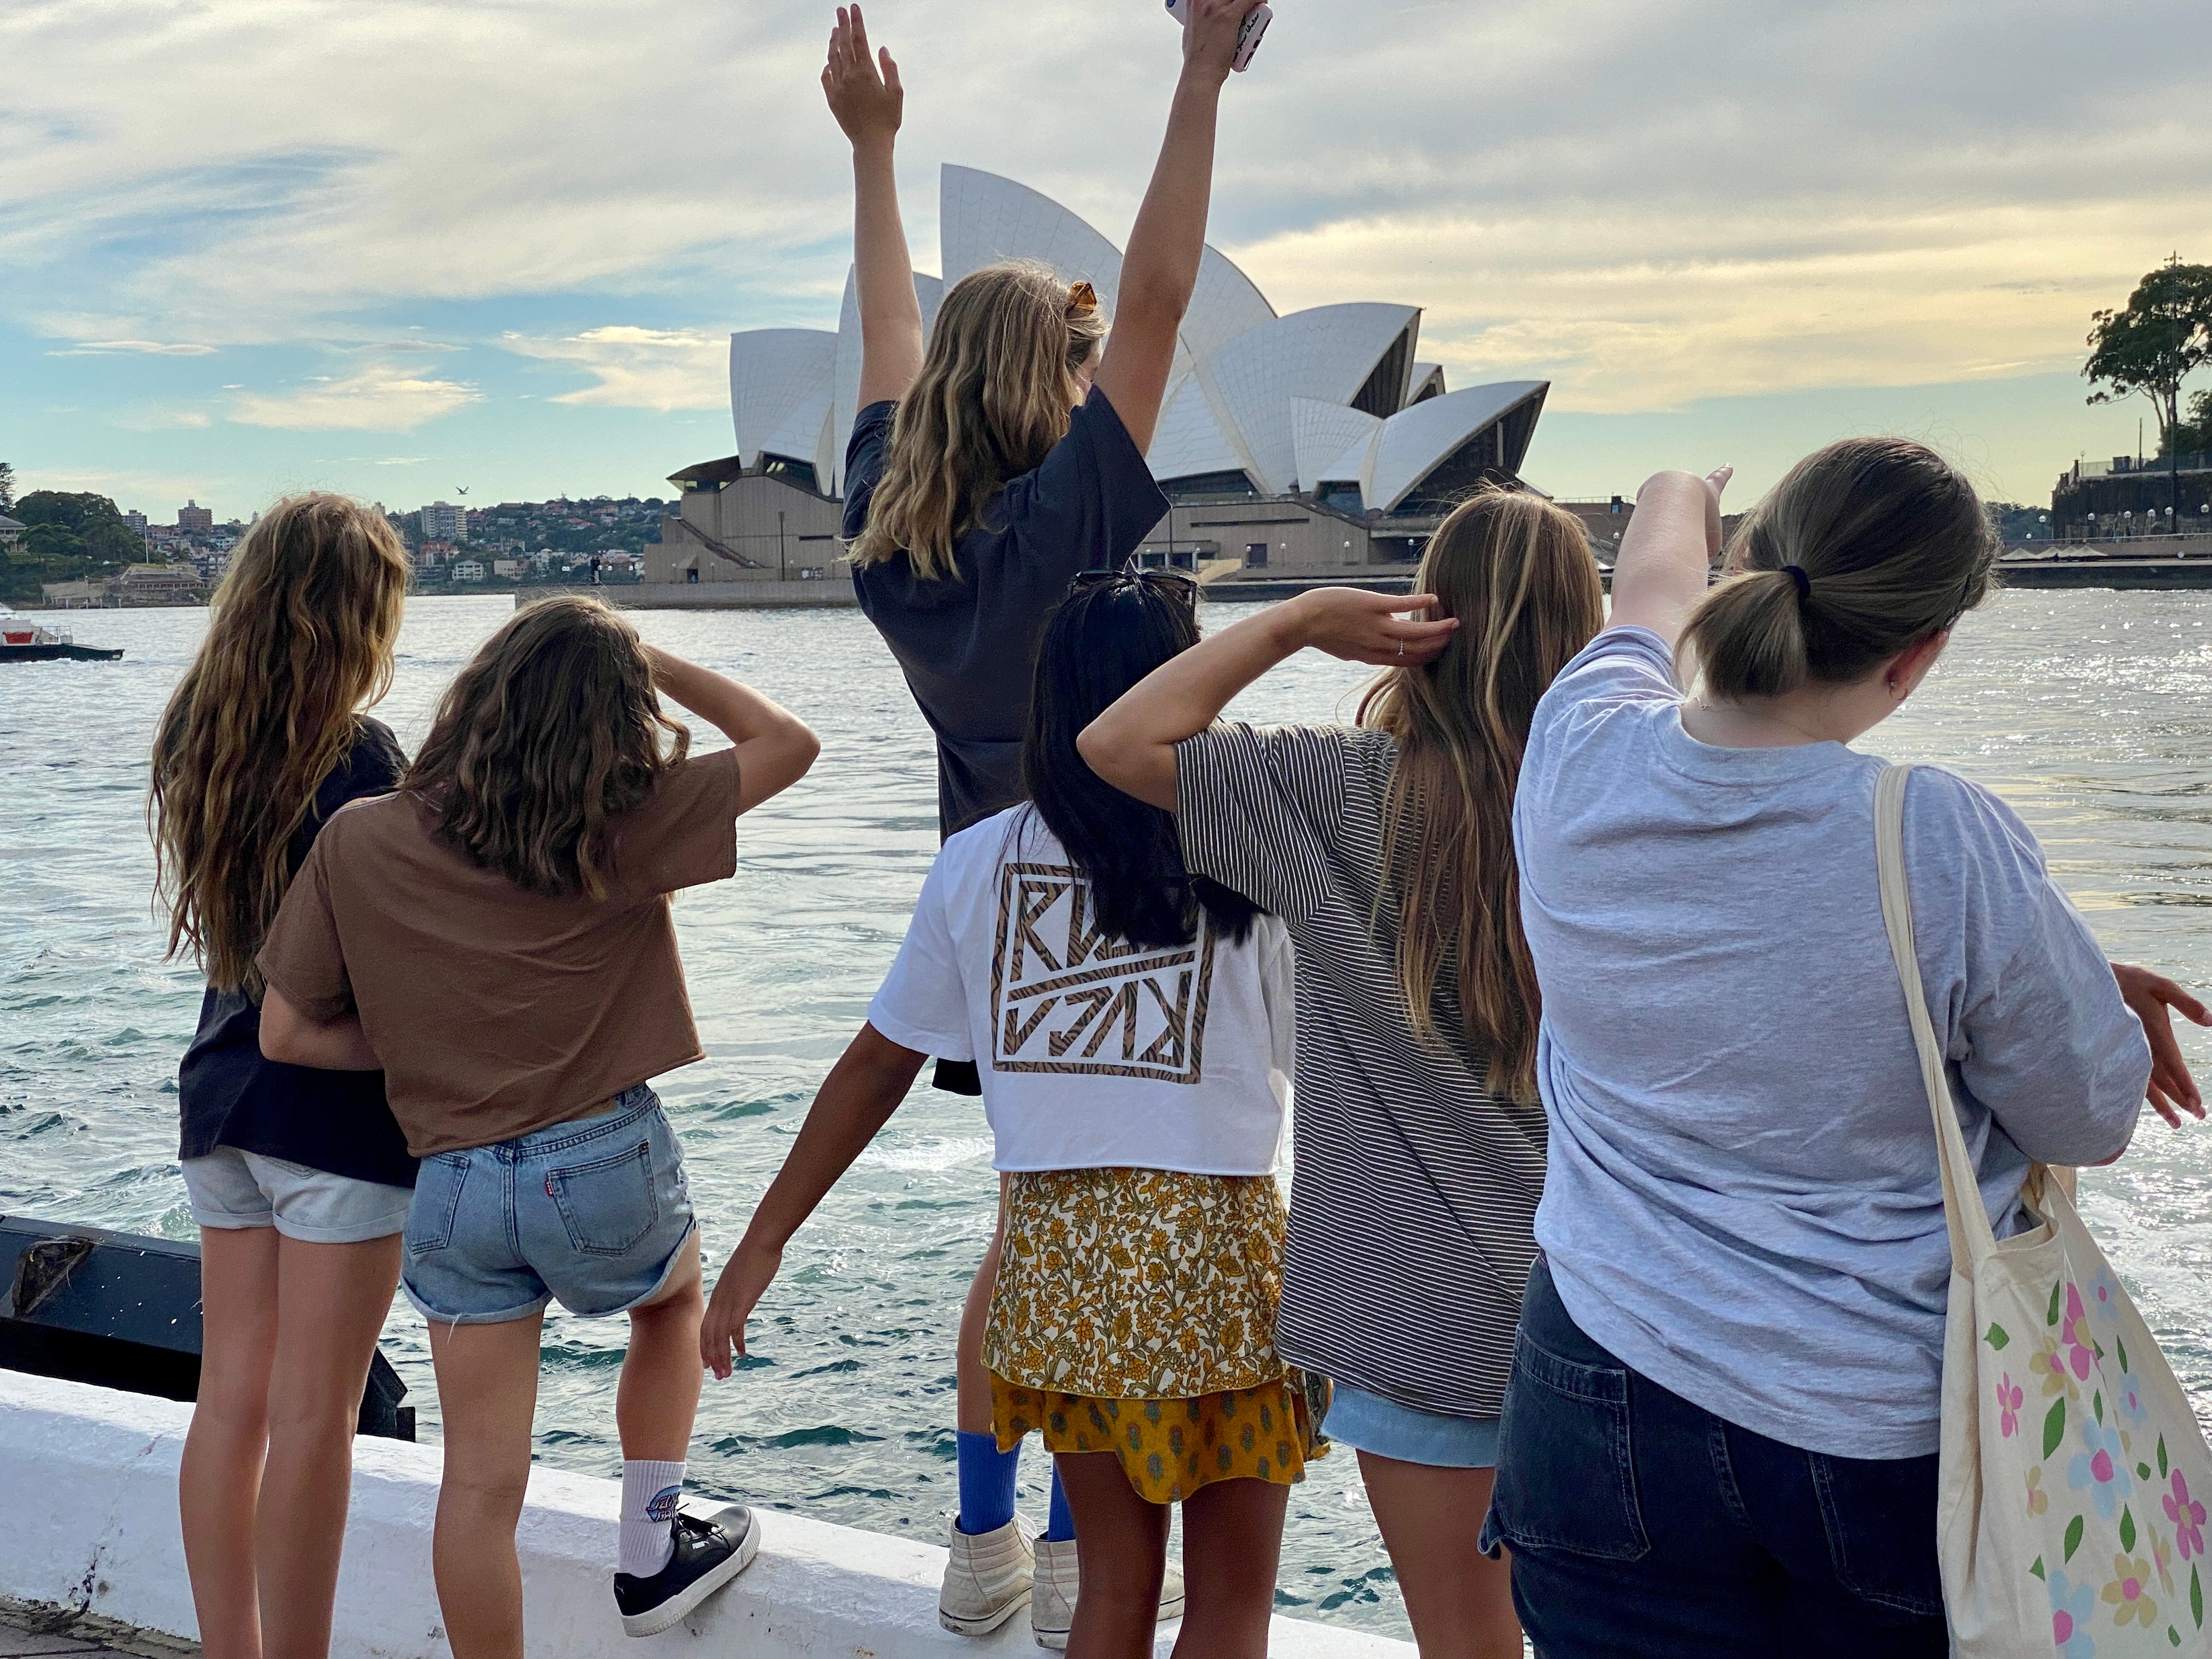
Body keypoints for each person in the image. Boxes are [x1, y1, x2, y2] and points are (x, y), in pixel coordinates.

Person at [1488, 441, 2207, 1654]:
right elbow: (2089, 1119)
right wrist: (2066, 985)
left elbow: (1654, 571)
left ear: (1752, 569)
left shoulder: (1580, 743)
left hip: (1595, 1377)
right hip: (1872, 1420)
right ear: (1917, 656)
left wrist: (1684, 485)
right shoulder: (1936, 835)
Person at [823, 0, 1262, 1633]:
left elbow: (885, 338)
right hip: (1139, 874)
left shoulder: (891, 541)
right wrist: (1199, 73)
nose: (1104, 380)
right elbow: (1160, 291)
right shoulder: (1072, 517)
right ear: (1051, 386)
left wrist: (870, 153)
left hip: (992, 896)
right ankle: (1079, 1529)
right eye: (1080, 371)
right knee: (1126, 1204)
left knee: (1032, 1210)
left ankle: (990, 1526)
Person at [701, 569, 1307, 1657]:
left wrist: (762, 1243)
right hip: (1217, 1253)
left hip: (1053, 1258)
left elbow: (877, 1065)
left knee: (1111, 1595)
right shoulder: (1255, 854)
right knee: (1228, 1607)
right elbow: (1336, 1070)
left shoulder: (978, 861)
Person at [1078, 489, 1608, 1659]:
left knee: (1464, 1645)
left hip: (1421, 1315)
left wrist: (1298, 622)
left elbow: (1114, 744)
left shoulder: (1341, 793)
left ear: (1429, 618)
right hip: (1617, 1299)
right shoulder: (1627, 799)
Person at [253, 597, 820, 1654]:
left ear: (477, 695)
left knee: (478, 1486)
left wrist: (434, 1045)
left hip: (455, 1185)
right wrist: (643, 653)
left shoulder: (360, 836)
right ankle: (651, 1552)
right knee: (673, 1301)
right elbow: (790, 742)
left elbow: (288, 1033)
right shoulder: (624, 819)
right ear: (612, 714)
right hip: (601, 1156)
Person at [150, 494, 417, 1659]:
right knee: (316, 1417)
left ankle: (232, 1650)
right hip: (333, 1112)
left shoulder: (195, 731)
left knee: (234, 1401)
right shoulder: (358, 758)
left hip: (222, 1096)